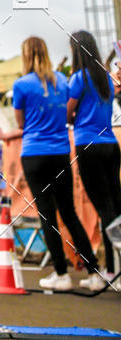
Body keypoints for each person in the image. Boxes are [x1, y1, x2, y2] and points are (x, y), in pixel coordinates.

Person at [3, 36, 102, 291]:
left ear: (26, 55)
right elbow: (68, 113)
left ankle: (61, 274)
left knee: (47, 215)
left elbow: (21, 123)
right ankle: (94, 273)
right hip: (60, 152)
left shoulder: (21, 84)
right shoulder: (62, 80)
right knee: (69, 213)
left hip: (34, 153)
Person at [67, 30, 121, 287]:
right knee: (115, 206)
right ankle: (112, 268)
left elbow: (67, 111)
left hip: (88, 144)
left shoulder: (79, 78)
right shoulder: (106, 78)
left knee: (104, 209)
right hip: (110, 144)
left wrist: (73, 115)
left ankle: (114, 270)